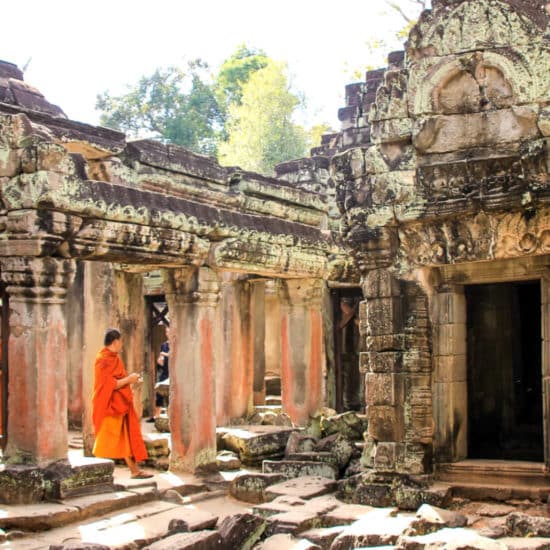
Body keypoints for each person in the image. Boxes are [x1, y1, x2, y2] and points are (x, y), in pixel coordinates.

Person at [92, 328, 153, 479]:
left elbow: (119, 380)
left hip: (120, 404)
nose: (122, 344)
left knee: (124, 438)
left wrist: (132, 380)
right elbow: (109, 385)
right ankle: (94, 473)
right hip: (109, 405)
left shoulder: (115, 358)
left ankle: (134, 470)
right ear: (115, 342)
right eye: (121, 341)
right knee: (104, 441)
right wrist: (129, 380)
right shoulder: (102, 360)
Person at [147, 325, 170, 422]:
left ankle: (171, 415)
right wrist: (159, 360)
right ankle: (157, 415)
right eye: (167, 332)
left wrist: (164, 354)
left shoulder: (177, 344)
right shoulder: (164, 345)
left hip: (175, 372)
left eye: (169, 332)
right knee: (159, 392)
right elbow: (161, 359)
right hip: (165, 371)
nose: (168, 334)